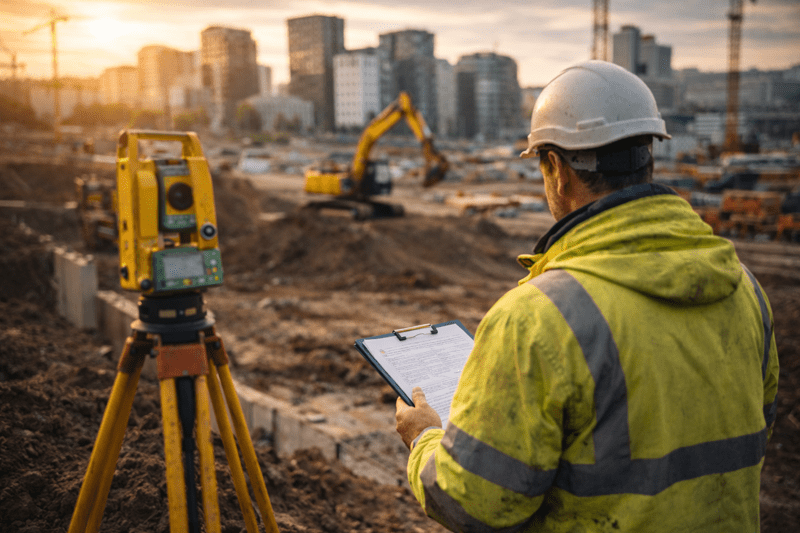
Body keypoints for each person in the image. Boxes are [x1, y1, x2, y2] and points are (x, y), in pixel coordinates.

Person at [395, 60, 779, 532]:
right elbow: (753, 428)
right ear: (650, 155)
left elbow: (475, 503)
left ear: (556, 168)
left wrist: (425, 440)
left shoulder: (538, 317)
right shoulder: (745, 289)